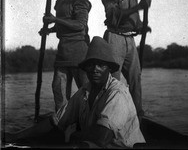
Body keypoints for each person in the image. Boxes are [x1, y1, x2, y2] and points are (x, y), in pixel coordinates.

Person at [4, 36, 146, 148]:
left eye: (101, 65)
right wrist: (15, 136)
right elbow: (55, 121)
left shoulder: (117, 93)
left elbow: (102, 138)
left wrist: (72, 136)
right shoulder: (85, 91)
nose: (95, 69)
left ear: (109, 68)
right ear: (85, 68)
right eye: (91, 64)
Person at [101, 0, 151, 121]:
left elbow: (134, 16)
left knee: (135, 76)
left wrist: (141, 26)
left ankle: (138, 114)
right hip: (114, 38)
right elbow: (115, 15)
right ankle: (113, 115)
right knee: (114, 81)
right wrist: (139, 7)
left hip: (130, 40)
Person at [39, 0, 92, 112]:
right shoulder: (59, 2)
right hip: (63, 52)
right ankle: (62, 121)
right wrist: (49, 29)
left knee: (86, 92)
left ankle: (86, 121)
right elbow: (62, 24)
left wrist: (55, 19)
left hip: (79, 52)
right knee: (59, 91)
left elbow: (80, 24)